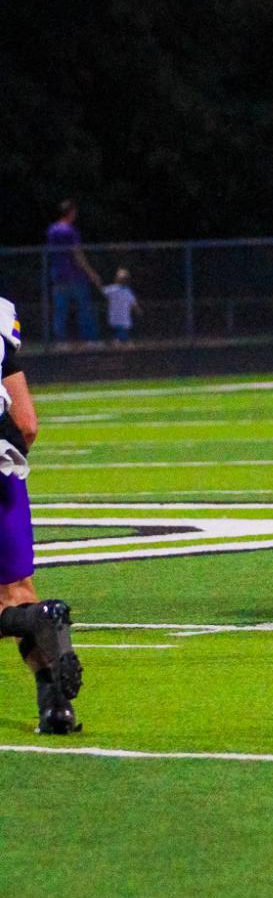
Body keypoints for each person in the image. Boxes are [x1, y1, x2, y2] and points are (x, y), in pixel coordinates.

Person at [0, 296, 83, 734]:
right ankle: (56, 708)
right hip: (4, 468)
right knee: (17, 592)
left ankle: (36, 620)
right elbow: (27, 422)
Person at [46, 200, 104, 342]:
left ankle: (60, 342)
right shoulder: (70, 231)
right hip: (76, 276)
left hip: (58, 275)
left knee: (60, 311)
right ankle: (91, 341)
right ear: (71, 212)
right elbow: (77, 255)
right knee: (85, 309)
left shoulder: (52, 230)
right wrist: (92, 274)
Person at [104, 267, 140, 343]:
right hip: (124, 318)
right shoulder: (128, 292)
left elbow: (104, 292)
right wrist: (138, 311)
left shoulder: (111, 289)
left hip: (114, 317)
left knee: (119, 332)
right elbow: (134, 304)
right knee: (123, 333)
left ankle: (117, 341)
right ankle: (119, 342)